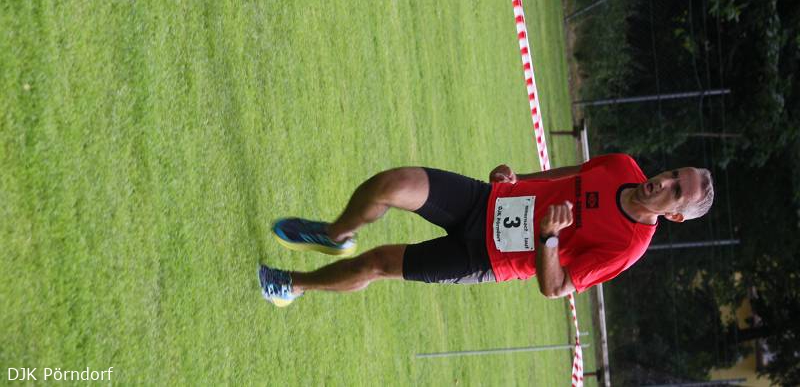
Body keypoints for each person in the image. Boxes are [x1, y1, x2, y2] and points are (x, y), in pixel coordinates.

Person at [258, 153, 714, 307]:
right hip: (484, 201)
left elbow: (554, 288)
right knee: (392, 184)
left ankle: (291, 285)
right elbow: (572, 173)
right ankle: (336, 234)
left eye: (676, 191)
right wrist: (520, 178)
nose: (664, 182)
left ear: (675, 215)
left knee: (379, 263)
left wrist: (549, 238)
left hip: (485, 258)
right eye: (674, 174)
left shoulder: (627, 248)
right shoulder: (622, 166)